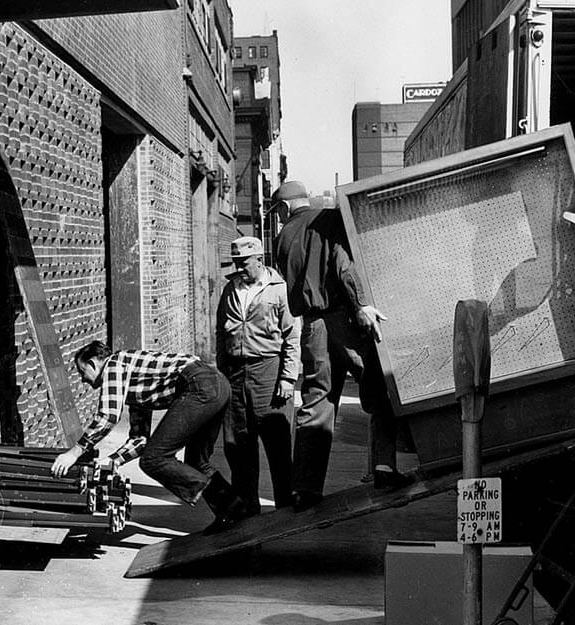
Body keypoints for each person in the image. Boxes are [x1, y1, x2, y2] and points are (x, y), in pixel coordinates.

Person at [272, 180, 410, 513]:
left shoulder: (282, 238)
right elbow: (343, 265)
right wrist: (361, 305)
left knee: (317, 401)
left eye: (277, 210)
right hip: (345, 322)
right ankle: (384, 468)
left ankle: (305, 489)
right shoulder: (329, 219)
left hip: (312, 327)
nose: (277, 217)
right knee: (380, 390)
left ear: (286, 206)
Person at [51, 340, 246, 534]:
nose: (83, 380)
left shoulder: (114, 364)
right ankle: (231, 512)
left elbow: (108, 416)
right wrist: (110, 462)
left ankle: (230, 502)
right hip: (217, 384)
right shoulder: (134, 379)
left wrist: (74, 453)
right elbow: (140, 440)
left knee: (154, 460)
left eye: (82, 372)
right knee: (196, 463)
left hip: (200, 385)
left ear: (93, 363)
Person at [216, 236, 300, 516]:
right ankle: (247, 509)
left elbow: (292, 336)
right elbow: (220, 332)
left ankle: (285, 509)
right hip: (235, 373)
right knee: (238, 444)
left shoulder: (278, 290)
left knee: (277, 444)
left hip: (268, 370)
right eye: (236, 263)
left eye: (245, 263)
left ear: (259, 260)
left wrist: (288, 379)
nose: (240, 268)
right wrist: (222, 368)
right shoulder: (230, 289)